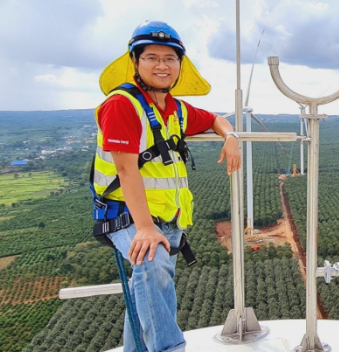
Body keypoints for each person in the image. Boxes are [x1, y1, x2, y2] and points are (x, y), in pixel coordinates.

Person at [92, 20, 240, 352]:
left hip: (168, 219)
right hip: (129, 216)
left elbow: (215, 118)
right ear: (135, 62)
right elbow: (126, 170)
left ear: (179, 65)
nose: (162, 65)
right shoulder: (121, 105)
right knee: (152, 267)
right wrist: (144, 228)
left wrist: (230, 136)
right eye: (152, 57)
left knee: (151, 288)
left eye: (170, 59)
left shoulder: (174, 110)